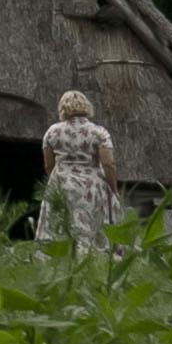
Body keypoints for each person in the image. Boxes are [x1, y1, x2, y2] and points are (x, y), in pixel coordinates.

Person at [39, 87, 121, 250]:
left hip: (61, 185)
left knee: (60, 228)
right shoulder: (99, 132)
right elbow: (108, 164)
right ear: (86, 107)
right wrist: (114, 189)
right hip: (91, 188)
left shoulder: (52, 132)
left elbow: (48, 165)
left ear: (63, 108)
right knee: (91, 229)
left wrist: (57, 180)